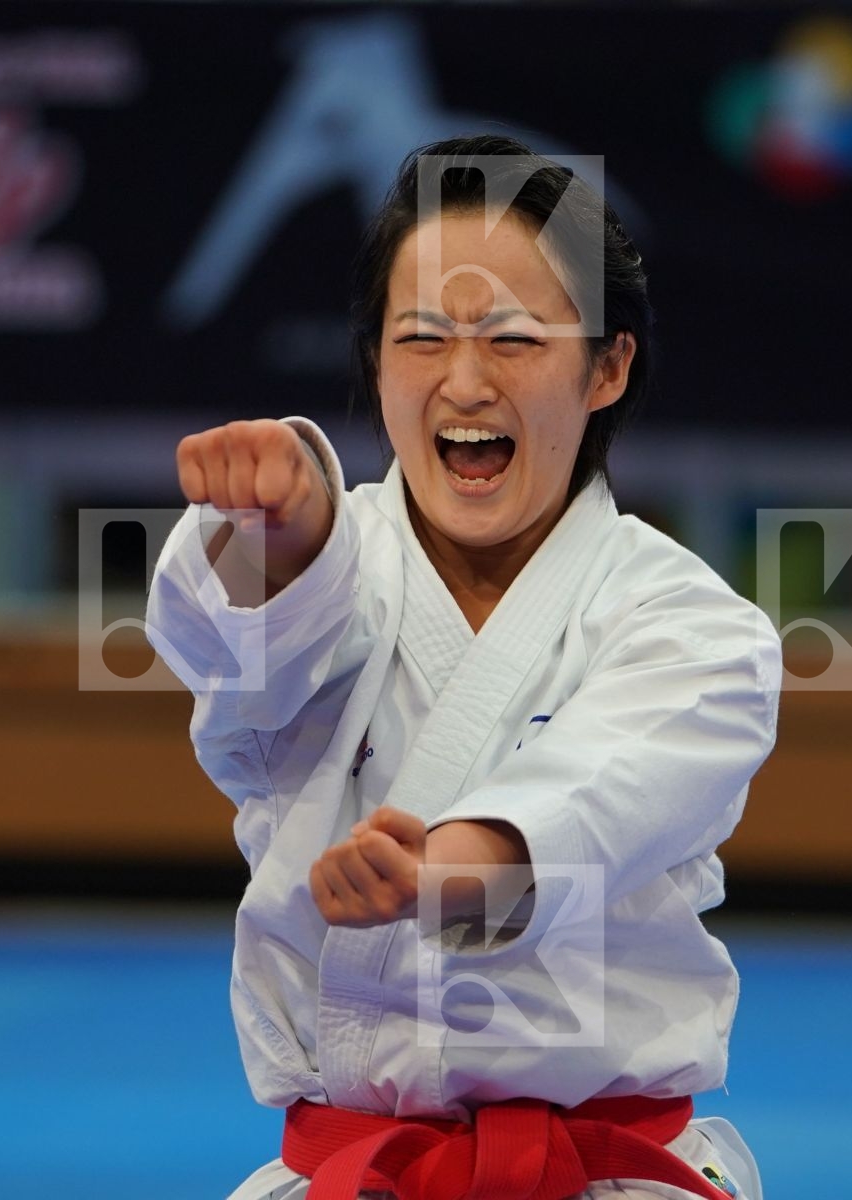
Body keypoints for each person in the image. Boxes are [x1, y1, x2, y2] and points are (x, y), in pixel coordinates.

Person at [145, 134, 782, 1200]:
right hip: (357, 1171)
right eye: (424, 337)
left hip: (608, 1180)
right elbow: (237, 662)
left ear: (608, 366)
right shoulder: (330, 567)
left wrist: (438, 874)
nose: (466, 380)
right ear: (374, 360)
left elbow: (599, 795)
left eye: (516, 339)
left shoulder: (694, 627)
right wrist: (272, 538)